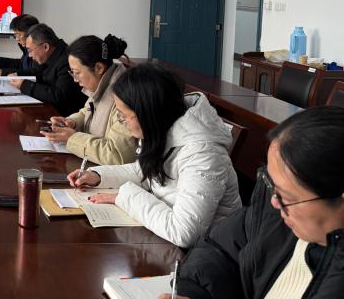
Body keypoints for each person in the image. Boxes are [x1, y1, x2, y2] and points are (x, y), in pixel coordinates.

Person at [160, 107, 344, 299]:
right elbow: (220, 249)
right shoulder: (277, 215)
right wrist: (196, 293)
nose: (274, 202)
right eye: (272, 185)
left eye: (287, 197)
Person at [69, 63, 241, 248]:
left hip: (208, 252)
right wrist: (98, 176)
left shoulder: (203, 153)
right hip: (167, 242)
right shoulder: (162, 127)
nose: (121, 122)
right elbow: (143, 171)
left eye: (123, 116)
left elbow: (183, 233)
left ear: (147, 113)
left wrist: (125, 196)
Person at [41, 33, 137, 166]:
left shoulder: (125, 94)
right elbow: (87, 111)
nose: (75, 80)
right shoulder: (103, 82)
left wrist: (72, 138)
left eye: (77, 73)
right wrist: (72, 122)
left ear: (99, 68)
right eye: (72, 73)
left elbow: (116, 155)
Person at [10, 23, 87, 116]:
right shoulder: (48, 56)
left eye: (30, 50)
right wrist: (17, 76)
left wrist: (25, 85)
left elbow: (60, 95)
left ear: (45, 47)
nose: (29, 55)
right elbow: (36, 73)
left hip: (66, 116)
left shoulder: (66, 60)